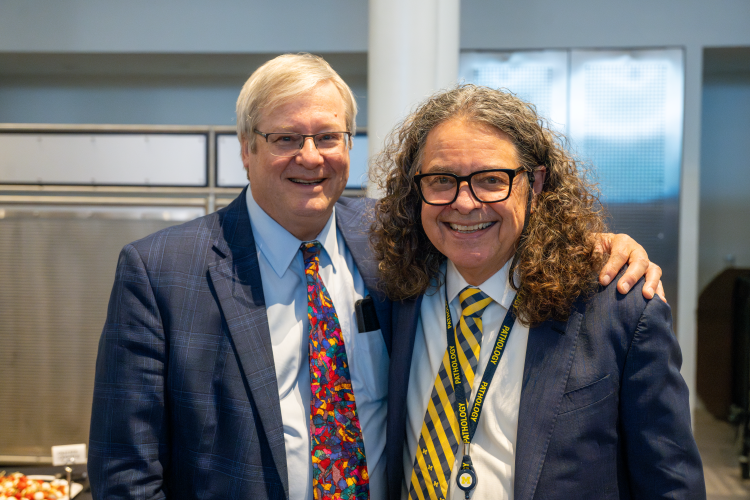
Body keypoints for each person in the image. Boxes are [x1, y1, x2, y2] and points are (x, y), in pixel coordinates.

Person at [88, 53, 662, 500]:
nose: (310, 157)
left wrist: (596, 245)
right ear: (245, 149)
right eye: (285, 138)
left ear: (348, 144)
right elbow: (125, 469)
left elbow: (487, 221)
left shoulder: (394, 243)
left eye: (328, 137)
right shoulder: (162, 272)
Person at [372, 85, 705, 500]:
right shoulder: (395, 289)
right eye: (441, 180)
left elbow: (671, 483)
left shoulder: (619, 307)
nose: (464, 202)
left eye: (492, 180)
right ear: (414, 186)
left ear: (536, 183)